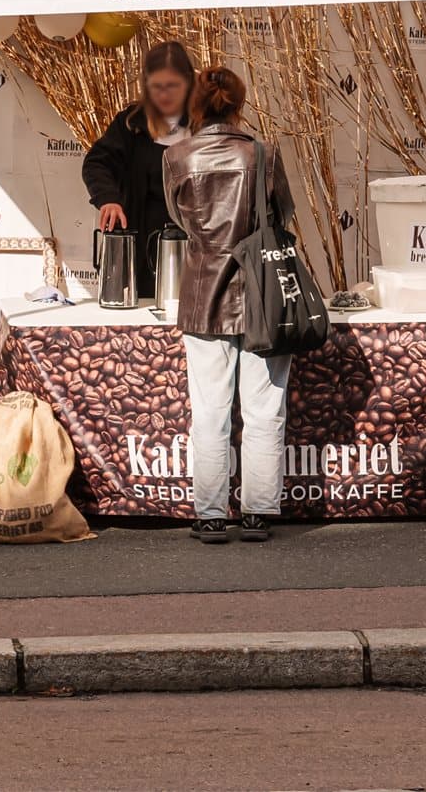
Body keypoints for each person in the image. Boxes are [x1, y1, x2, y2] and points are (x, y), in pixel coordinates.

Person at [162, 66, 295, 545]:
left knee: (210, 410)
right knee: (265, 410)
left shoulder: (177, 157)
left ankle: (211, 515)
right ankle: (259, 513)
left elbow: (180, 219)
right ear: (239, 103)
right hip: (265, 297)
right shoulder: (263, 154)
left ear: (195, 105)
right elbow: (284, 215)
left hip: (203, 295)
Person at [83, 40, 197, 299]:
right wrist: (108, 199)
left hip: (192, 246)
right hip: (139, 243)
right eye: (157, 87)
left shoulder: (202, 125)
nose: (164, 95)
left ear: (188, 83)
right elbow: (96, 163)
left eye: (172, 86)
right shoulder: (130, 124)